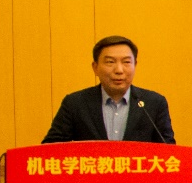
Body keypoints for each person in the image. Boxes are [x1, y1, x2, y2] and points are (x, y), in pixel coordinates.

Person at [42, 35, 176, 144]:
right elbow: (50, 150)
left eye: (126, 62)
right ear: (95, 67)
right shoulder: (75, 103)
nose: (119, 70)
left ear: (135, 65)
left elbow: (169, 151)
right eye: (110, 62)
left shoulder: (154, 103)